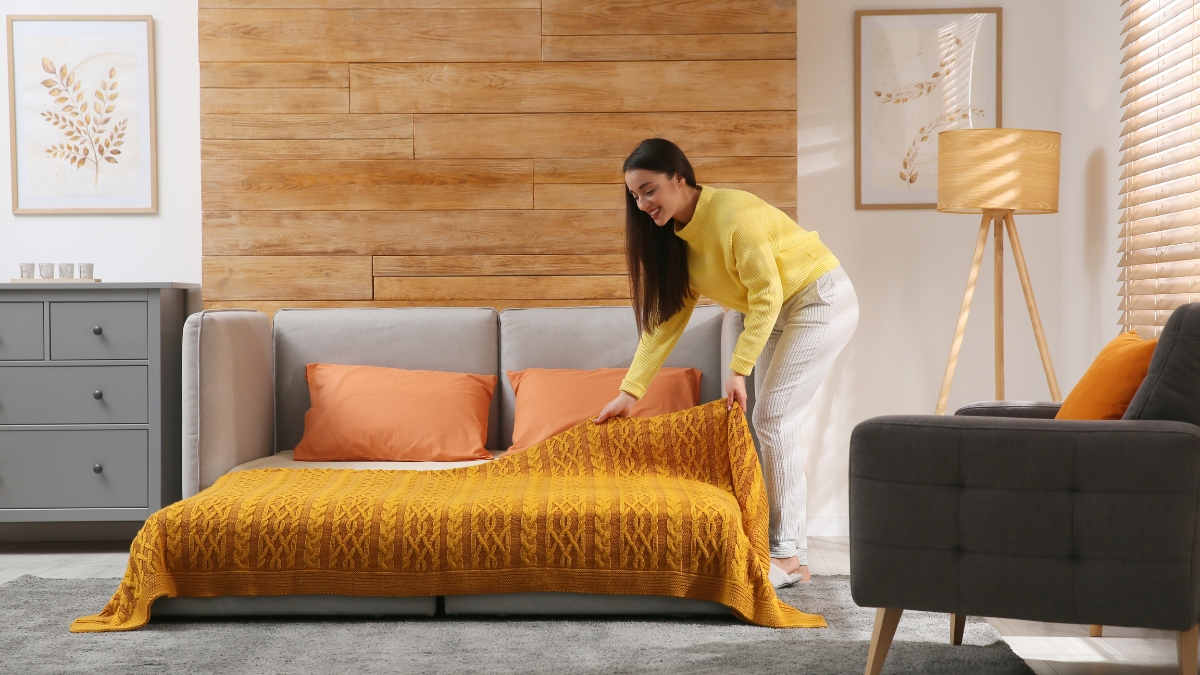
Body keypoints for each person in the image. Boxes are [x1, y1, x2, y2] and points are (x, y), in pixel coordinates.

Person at [593, 138, 859, 588]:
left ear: (680, 179)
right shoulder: (676, 238)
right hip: (766, 312)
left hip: (817, 299)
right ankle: (792, 555)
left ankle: (788, 556)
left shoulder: (735, 215)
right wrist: (629, 392)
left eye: (650, 190)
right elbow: (665, 323)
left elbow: (769, 292)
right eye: (635, 195)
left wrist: (738, 369)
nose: (642, 204)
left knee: (772, 417)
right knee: (771, 421)